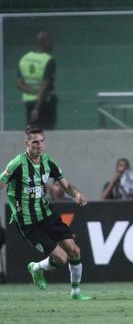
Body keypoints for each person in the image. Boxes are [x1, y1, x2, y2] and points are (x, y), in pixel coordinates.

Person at [0, 125, 91, 299]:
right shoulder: (17, 163)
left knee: (75, 250)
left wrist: (76, 194)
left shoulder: (48, 162)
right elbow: (1, 182)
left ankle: (76, 293)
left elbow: (66, 186)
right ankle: (36, 268)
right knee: (61, 258)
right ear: (27, 143)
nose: (40, 145)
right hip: (27, 222)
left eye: (42, 141)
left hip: (46, 214)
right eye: (35, 142)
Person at [16, 32, 58, 129]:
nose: (52, 44)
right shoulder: (48, 60)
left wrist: (33, 92)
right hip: (45, 102)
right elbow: (45, 85)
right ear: (45, 42)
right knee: (48, 135)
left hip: (29, 101)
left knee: (33, 135)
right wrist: (37, 108)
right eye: (50, 41)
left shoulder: (25, 58)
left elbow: (19, 83)